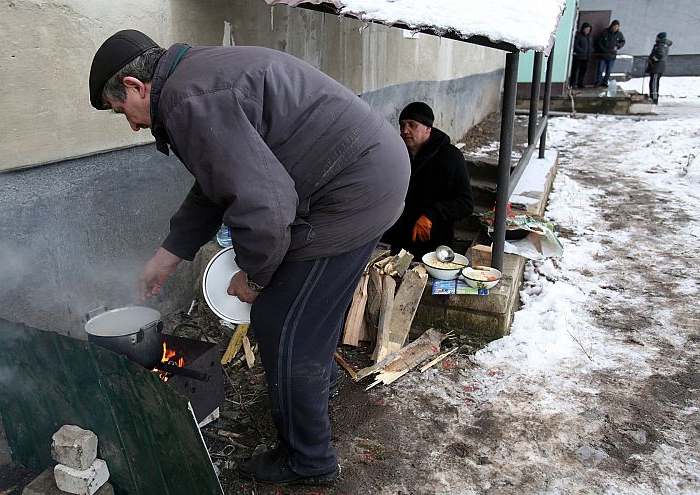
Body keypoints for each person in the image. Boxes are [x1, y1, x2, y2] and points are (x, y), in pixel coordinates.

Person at [88, 30, 409, 486]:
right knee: (311, 306)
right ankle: (316, 386)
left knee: (280, 319)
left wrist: (256, 278)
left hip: (351, 190)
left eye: (124, 111)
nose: (133, 125)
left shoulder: (188, 99)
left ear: (139, 87)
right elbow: (218, 182)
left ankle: (308, 459)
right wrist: (168, 255)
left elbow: (265, 204)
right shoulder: (193, 79)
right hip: (367, 172)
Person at [380, 102, 474, 260]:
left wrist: (432, 215)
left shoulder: (449, 156)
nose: (405, 130)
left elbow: (465, 203)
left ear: (428, 128)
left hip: (432, 244)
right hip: (396, 241)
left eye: (412, 125)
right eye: (402, 125)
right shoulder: (397, 154)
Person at [594, 19, 625, 87]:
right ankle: (598, 82)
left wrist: (618, 46)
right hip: (603, 54)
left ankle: (605, 82)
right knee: (600, 70)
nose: (615, 28)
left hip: (612, 55)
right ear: (611, 26)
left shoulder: (619, 34)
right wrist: (603, 49)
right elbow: (599, 42)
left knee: (608, 71)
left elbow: (622, 42)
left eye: (617, 27)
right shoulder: (605, 32)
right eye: (614, 26)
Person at [645, 32, 673, 105]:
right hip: (659, 66)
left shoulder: (660, 45)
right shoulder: (664, 45)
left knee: (654, 83)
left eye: (657, 37)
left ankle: (654, 99)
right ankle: (653, 97)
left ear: (660, 38)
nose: (656, 38)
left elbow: (659, 55)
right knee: (654, 82)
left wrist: (652, 59)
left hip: (657, 66)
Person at [569, 22, 593, 88]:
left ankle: (581, 83)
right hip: (579, 57)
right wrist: (582, 51)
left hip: (586, 57)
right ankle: (573, 83)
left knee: (583, 71)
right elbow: (575, 45)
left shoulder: (590, 37)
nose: (587, 31)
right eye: (586, 29)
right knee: (575, 70)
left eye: (588, 29)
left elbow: (591, 46)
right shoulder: (578, 36)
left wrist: (591, 51)